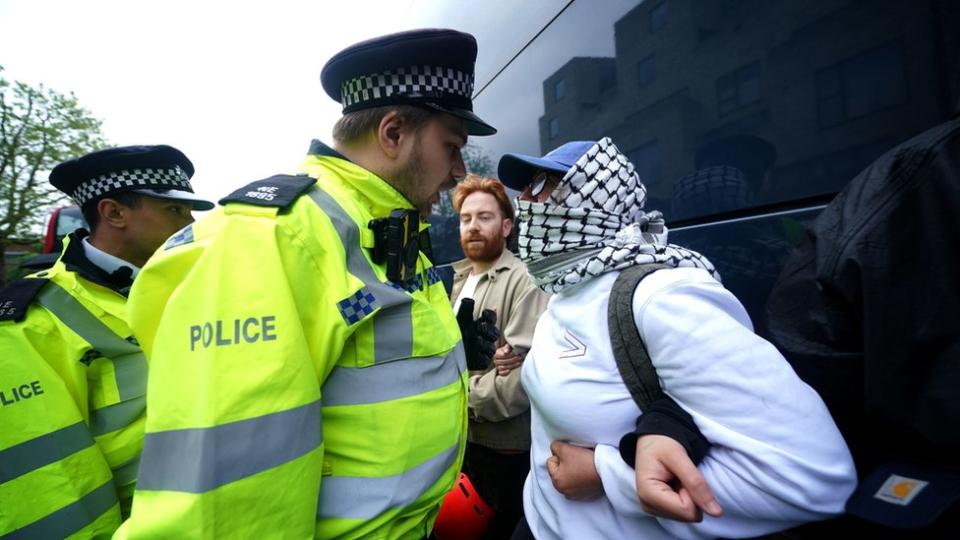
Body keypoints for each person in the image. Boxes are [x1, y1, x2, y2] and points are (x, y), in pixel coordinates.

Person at [117, 29, 498, 539]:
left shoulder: (390, 226)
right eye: (452, 146)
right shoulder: (269, 239)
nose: (457, 171)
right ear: (392, 134)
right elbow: (226, 509)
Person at [498, 138, 857, 539]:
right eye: (526, 185)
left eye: (545, 183)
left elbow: (812, 477)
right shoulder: (565, 285)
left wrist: (610, 475)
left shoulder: (661, 297)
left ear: (595, 197)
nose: (526, 200)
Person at [0, 145, 212, 538]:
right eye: (174, 211)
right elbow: (52, 482)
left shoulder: (196, 286)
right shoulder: (30, 321)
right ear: (114, 213)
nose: (192, 222)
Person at [444, 175, 550, 539]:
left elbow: (518, 383)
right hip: (463, 444)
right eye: (465, 218)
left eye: (484, 217)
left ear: (506, 226)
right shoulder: (457, 279)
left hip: (504, 452)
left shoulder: (525, 280)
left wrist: (452, 396)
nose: (473, 226)